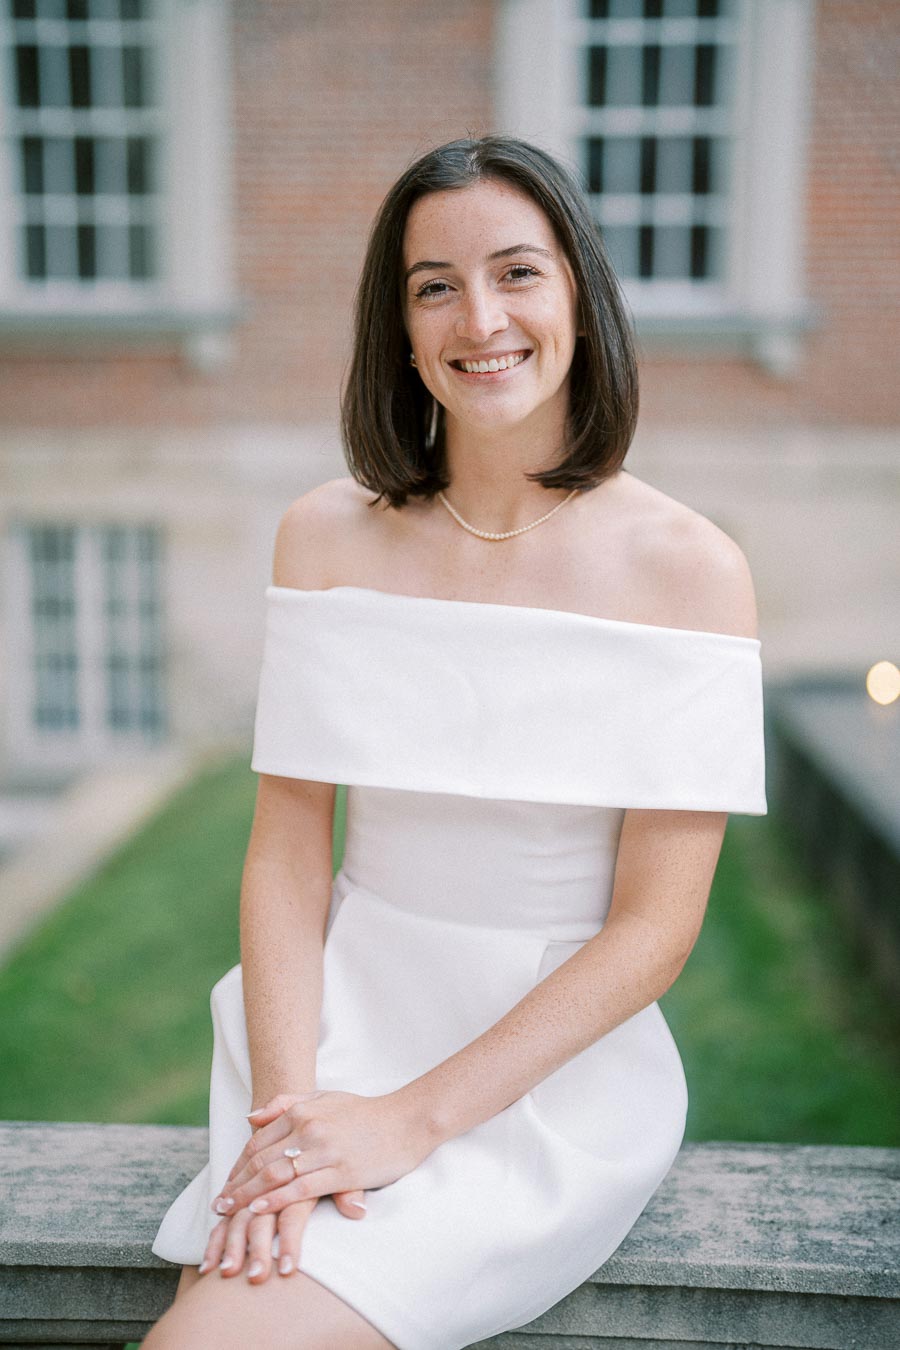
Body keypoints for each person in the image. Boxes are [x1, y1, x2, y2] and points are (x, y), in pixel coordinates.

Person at [145, 135, 767, 1349]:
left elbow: (656, 929)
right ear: (401, 323)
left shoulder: (689, 570)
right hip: (330, 1024)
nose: (480, 318)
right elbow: (285, 852)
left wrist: (410, 1122)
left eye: (518, 273)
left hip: (540, 1081)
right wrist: (291, 1109)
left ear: (581, 294)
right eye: (435, 285)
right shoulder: (323, 536)